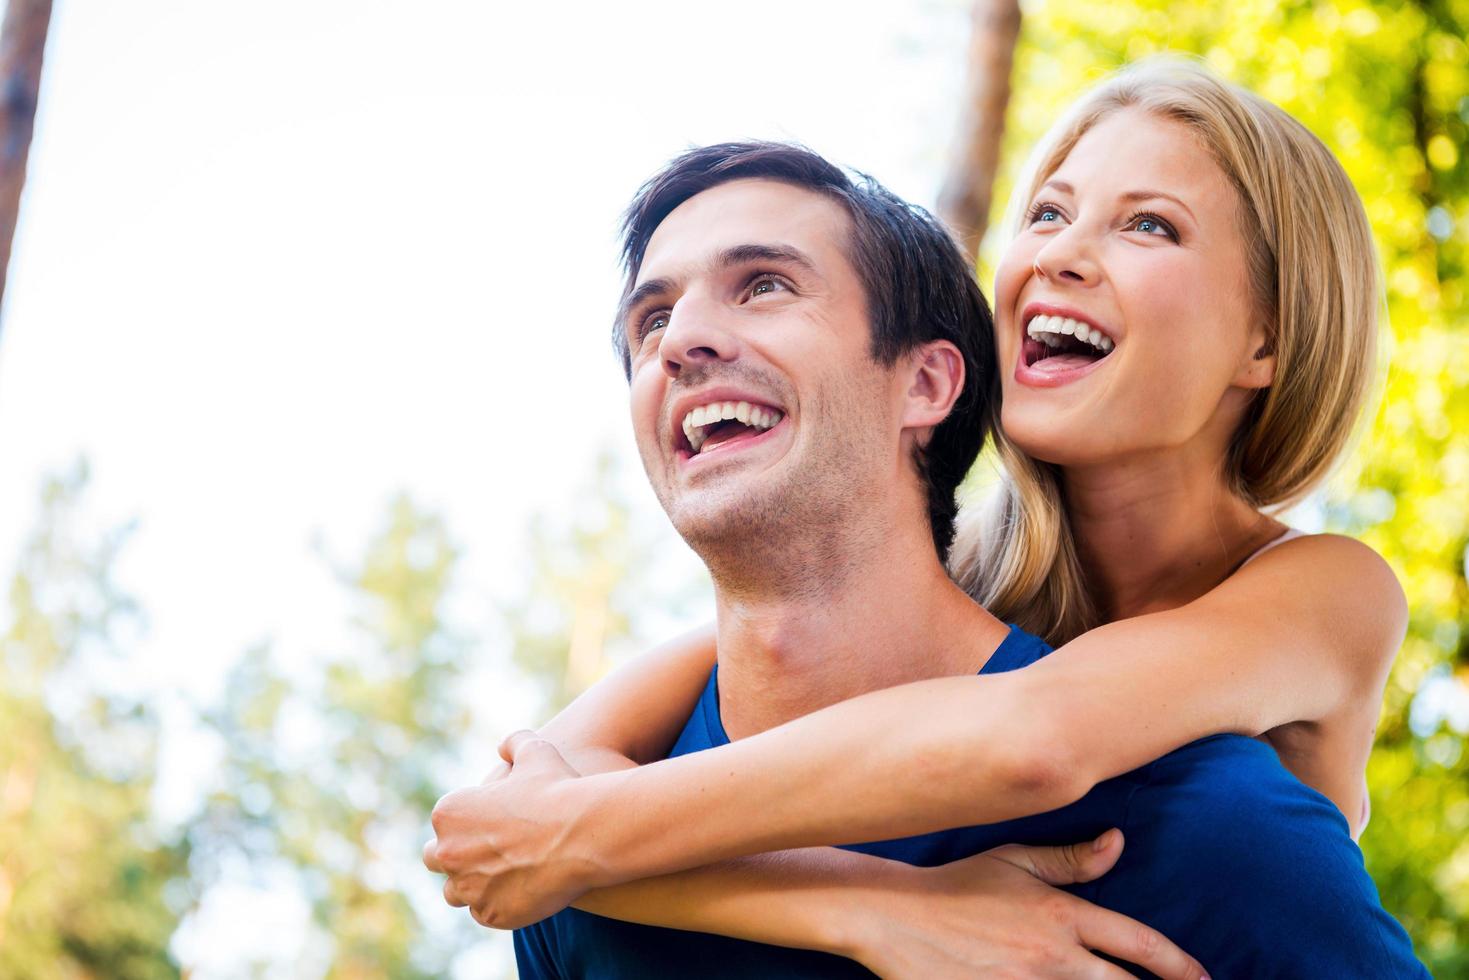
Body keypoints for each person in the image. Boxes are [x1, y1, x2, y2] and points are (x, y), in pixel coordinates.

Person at [425, 61, 1428, 978]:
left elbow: (1033, 737)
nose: (1058, 257)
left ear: (1267, 334)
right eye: (1045, 213)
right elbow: (524, 816)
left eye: (1146, 225)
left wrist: (563, 835)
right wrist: (869, 905)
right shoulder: (960, 573)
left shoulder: (1322, 591)